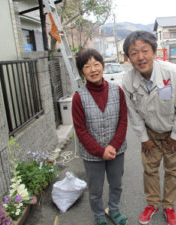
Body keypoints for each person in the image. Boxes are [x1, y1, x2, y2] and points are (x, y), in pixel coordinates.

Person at [122, 31, 176, 225]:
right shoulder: (128, 80)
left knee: (172, 171)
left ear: (154, 51)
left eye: (145, 50)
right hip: (150, 133)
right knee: (150, 170)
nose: (140, 57)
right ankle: (152, 204)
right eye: (134, 52)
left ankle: (169, 206)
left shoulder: (174, 73)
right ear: (128, 57)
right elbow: (133, 113)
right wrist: (144, 138)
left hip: (172, 133)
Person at [72, 48, 128, 225]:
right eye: (87, 66)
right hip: (92, 155)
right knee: (95, 189)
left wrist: (113, 146)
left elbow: (123, 121)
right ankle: (98, 215)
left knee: (116, 184)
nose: (93, 69)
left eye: (96, 64)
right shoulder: (78, 98)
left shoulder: (117, 91)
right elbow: (81, 130)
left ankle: (114, 210)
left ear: (103, 66)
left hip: (116, 151)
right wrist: (100, 150)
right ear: (82, 71)